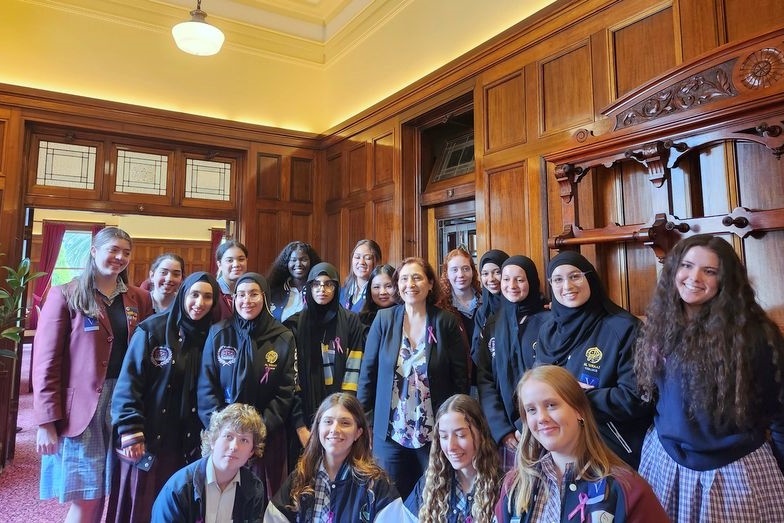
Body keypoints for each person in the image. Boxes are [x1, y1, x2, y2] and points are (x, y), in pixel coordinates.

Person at [634, 234, 784, 521]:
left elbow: (778, 413)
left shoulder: (753, 336)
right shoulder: (661, 324)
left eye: (710, 271)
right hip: (665, 462)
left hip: (732, 471)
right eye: (687, 266)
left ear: (725, 281)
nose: (694, 277)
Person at [33, 226, 153, 523]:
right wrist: (46, 421)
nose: (119, 257)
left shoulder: (139, 299)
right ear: (94, 250)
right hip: (82, 410)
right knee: (86, 499)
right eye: (113, 249)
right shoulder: (66, 294)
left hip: (124, 404)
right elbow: (46, 362)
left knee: (110, 494)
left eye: (126, 252)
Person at [108, 271, 221, 522]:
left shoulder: (216, 336)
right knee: (142, 508)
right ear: (182, 295)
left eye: (207, 297)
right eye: (194, 295)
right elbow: (129, 384)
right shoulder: (152, 330)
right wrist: (130, 430)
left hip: (191, 442)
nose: (199, 303)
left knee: (181, 509)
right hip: (151, 437)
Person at [495, 365, 668, 523]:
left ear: (579, 411)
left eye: (551, 405)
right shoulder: (515, 485)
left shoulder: (627, 489)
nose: (541, 418)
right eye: (531, 410)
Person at [357, 257, 469, 498]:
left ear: (430, 284)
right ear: (398, 285)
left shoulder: (445, 322)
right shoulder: (384, 320)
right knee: (389, 497)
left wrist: (457, 423)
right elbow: (368, 374)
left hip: (434, 432)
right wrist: (365, 423)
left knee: (435, 496)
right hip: (390, 431)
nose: (411, 284)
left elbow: (460, 379)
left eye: (417, 277)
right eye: (404, 278)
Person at [537, 251, 650, 468]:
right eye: (558, 279)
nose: (567, 286)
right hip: (560, 447)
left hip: (610, 449)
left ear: (590, 278)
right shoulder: (548, 331)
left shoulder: (624, 328)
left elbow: (638, 397)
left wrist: (580, 397)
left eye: (575, 276)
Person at [198, 272, 297, 498]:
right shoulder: (219, 333)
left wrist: (257, 433)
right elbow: (206, 386)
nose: (247, 300)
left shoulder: (282, 337)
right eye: (241, 294)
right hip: (222, 437)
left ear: (265, 297)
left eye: (254, 294)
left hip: (264, 439)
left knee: (258, 500)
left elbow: (285, 391)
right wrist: (222, 431)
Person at [264, 393, 407, 522]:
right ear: (318, 429)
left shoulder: (376, 484)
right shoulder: (300, 478)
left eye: (345, 423)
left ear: (358, 432)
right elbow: (274, 517)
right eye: (328, 421)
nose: (335, 429)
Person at [476, 255, 549, 471]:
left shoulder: (549, 321)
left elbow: (549, 376)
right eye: (506, 280)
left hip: (540, 426)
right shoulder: (493, 323)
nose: (512, 286)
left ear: (532, 282)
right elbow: (485, 379)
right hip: (504, 434)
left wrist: (523, 425)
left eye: (520, 279)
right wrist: (503, 430)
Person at [286, 262, 368, 451]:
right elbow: (292, 378)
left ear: (337, 287)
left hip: (341, 413)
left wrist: (345, 414)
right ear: (309, 288)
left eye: (328, 284)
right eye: (316, 284)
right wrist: (300, 427)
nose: (322, 289)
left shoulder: (350, 321)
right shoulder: (294, 325)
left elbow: (354, 369)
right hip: (304, 413)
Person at [151, 403, 268, 523]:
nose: (234, 447)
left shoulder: (254, 488)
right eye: (228, 436)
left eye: (244, 440)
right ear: (213, 440)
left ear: (252, 451)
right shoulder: (178, 488)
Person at [404, 394, 501, 523]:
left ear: (481, 434)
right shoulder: (429, 484)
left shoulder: (502, 486)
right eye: (444, 437)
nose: (450, 447)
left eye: (460, 435)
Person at [266, 241, 322, 322]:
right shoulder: (274, 292)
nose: (298, 264)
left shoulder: (318, 291)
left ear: (311, 261)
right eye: (293, 260)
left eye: (304, 259)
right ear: (286, 263)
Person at [470, 249, 509, 364]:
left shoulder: (520, 305)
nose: (491, 279)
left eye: (497, 272)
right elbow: (476, 353)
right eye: (485, 274)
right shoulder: (482, 312)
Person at [440, 247, 482, 348]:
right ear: (447, 274)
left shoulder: (486, 301)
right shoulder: (441, 306)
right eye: (454, 270)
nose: (461, 274)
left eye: (465, 269)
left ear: (473, 271)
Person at [339, 239, 382, 313]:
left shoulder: (380, 295)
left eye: (367, 258)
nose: (361, 262)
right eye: (357, 257)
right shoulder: (341, 292)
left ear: (377, 262)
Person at [215, 240, 249, 319]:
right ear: (219, 264)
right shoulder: (213, 292)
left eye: (241, 259)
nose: (236, 264)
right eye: (230, 260)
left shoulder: (252, 291)